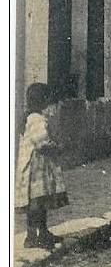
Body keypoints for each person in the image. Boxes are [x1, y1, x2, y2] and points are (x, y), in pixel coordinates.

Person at [16, 83, 69, 249]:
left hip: (38, 166)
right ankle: (32, 237)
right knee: (36, 202)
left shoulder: (32, 117)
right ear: (41, 100)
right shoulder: (36, 119)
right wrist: (58, 148)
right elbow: (42, 143)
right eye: (47, 98)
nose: (49, 102)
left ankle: (42, 233)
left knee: (40, 201)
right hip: (36, 168)